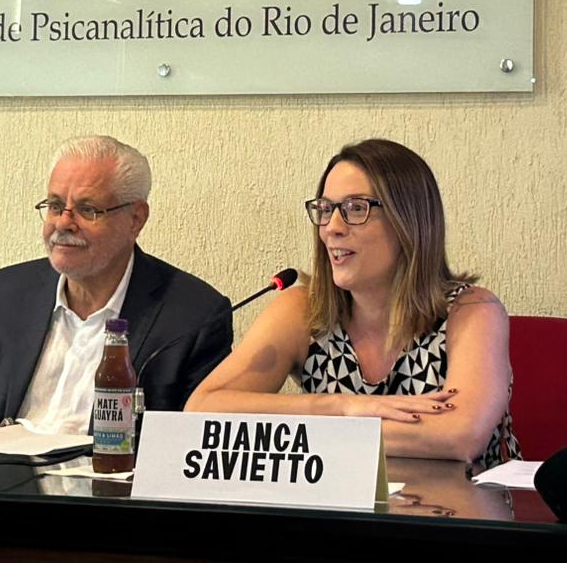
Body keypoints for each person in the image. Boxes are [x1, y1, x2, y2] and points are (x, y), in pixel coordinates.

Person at [185, 138, 520, 468]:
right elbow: (202, 410)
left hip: (457, 503)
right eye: (325, 209)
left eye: (356, 208)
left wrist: (309, 430)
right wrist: (341, 407)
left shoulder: (472, 311)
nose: (332, 228)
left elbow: (459, 435)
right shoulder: (304, 311)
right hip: (341, 505)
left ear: (409, 221)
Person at [0, 135, 232, 432]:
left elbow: (192, 440)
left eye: (87, 210)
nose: (63, 223)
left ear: (136, 219)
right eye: (55, 206)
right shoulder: (4, 292)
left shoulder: (193, 316)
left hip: (108, 463)